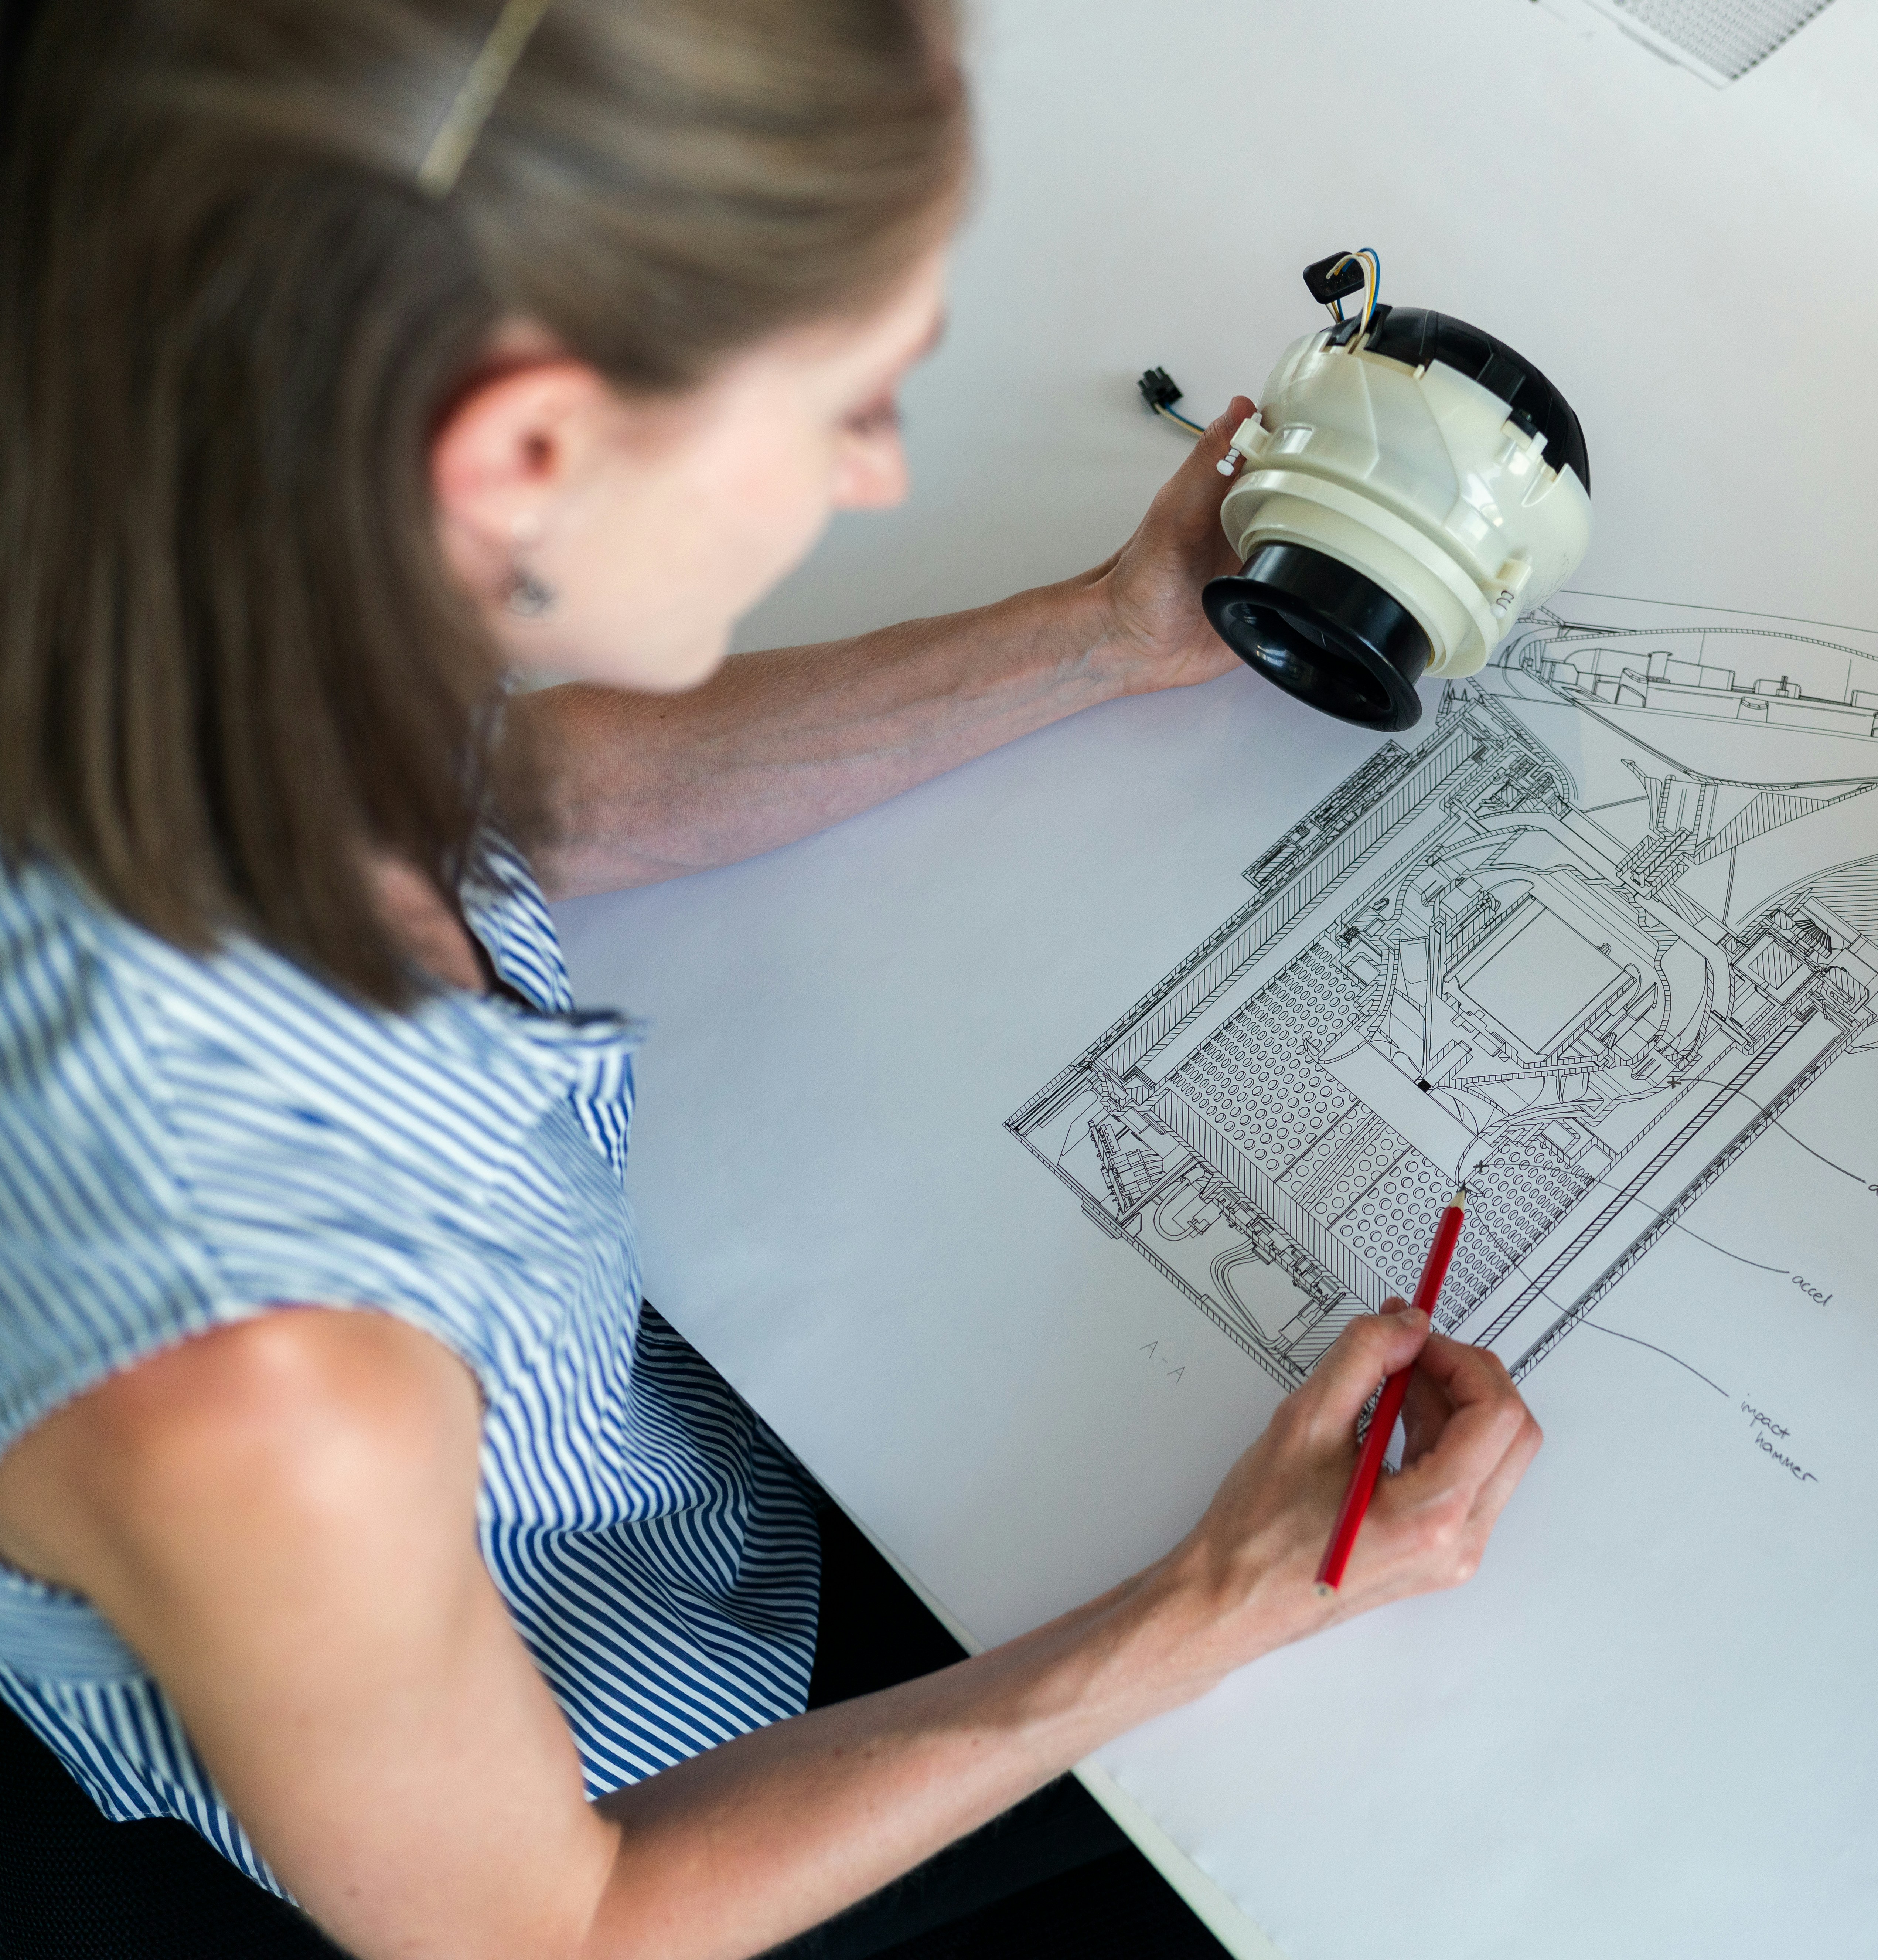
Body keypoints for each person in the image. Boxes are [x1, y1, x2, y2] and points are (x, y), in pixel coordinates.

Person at [0, 3, 1543, 1957]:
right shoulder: (256, 1370)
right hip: (592, 1767)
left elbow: (516, 795)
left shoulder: (185, 490)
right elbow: (552, 1930)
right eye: (843, 406)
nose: (878, 475)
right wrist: (1221, 1598)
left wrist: (1101, 633)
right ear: (522, 449)